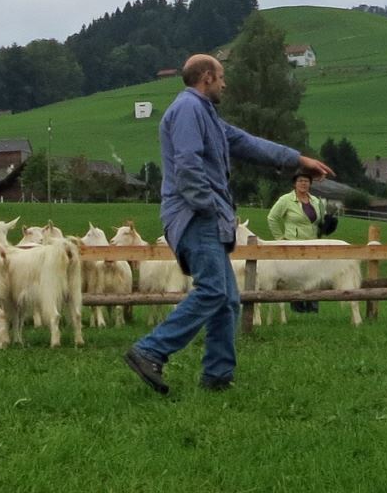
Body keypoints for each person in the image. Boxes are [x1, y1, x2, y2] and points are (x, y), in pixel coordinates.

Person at [122, 54, 332, 395]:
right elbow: (187, 166)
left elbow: (248, 143)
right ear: (206, 77)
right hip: (195, 217)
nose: (225, 83)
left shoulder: (207, 115)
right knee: (213, 291)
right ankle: (150, 350)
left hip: (206, 217)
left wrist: (297, 160)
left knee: (228, 300)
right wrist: (209, 206)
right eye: (221, 77)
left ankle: (217, 376)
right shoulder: (188, 110)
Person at [267, 170, 337, 312]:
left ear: (310, 184)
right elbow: (272, 218)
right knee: (296, 276)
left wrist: (329, 224)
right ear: (295, 183)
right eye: (300, 181)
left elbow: (321, 221)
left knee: (314, 275)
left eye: (306, 181)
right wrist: (280, 238)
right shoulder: (285, 200)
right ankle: (298, 307)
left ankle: (313, 307)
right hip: (294, 244)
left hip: (313, 244)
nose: (303, 184)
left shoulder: (316, 201)